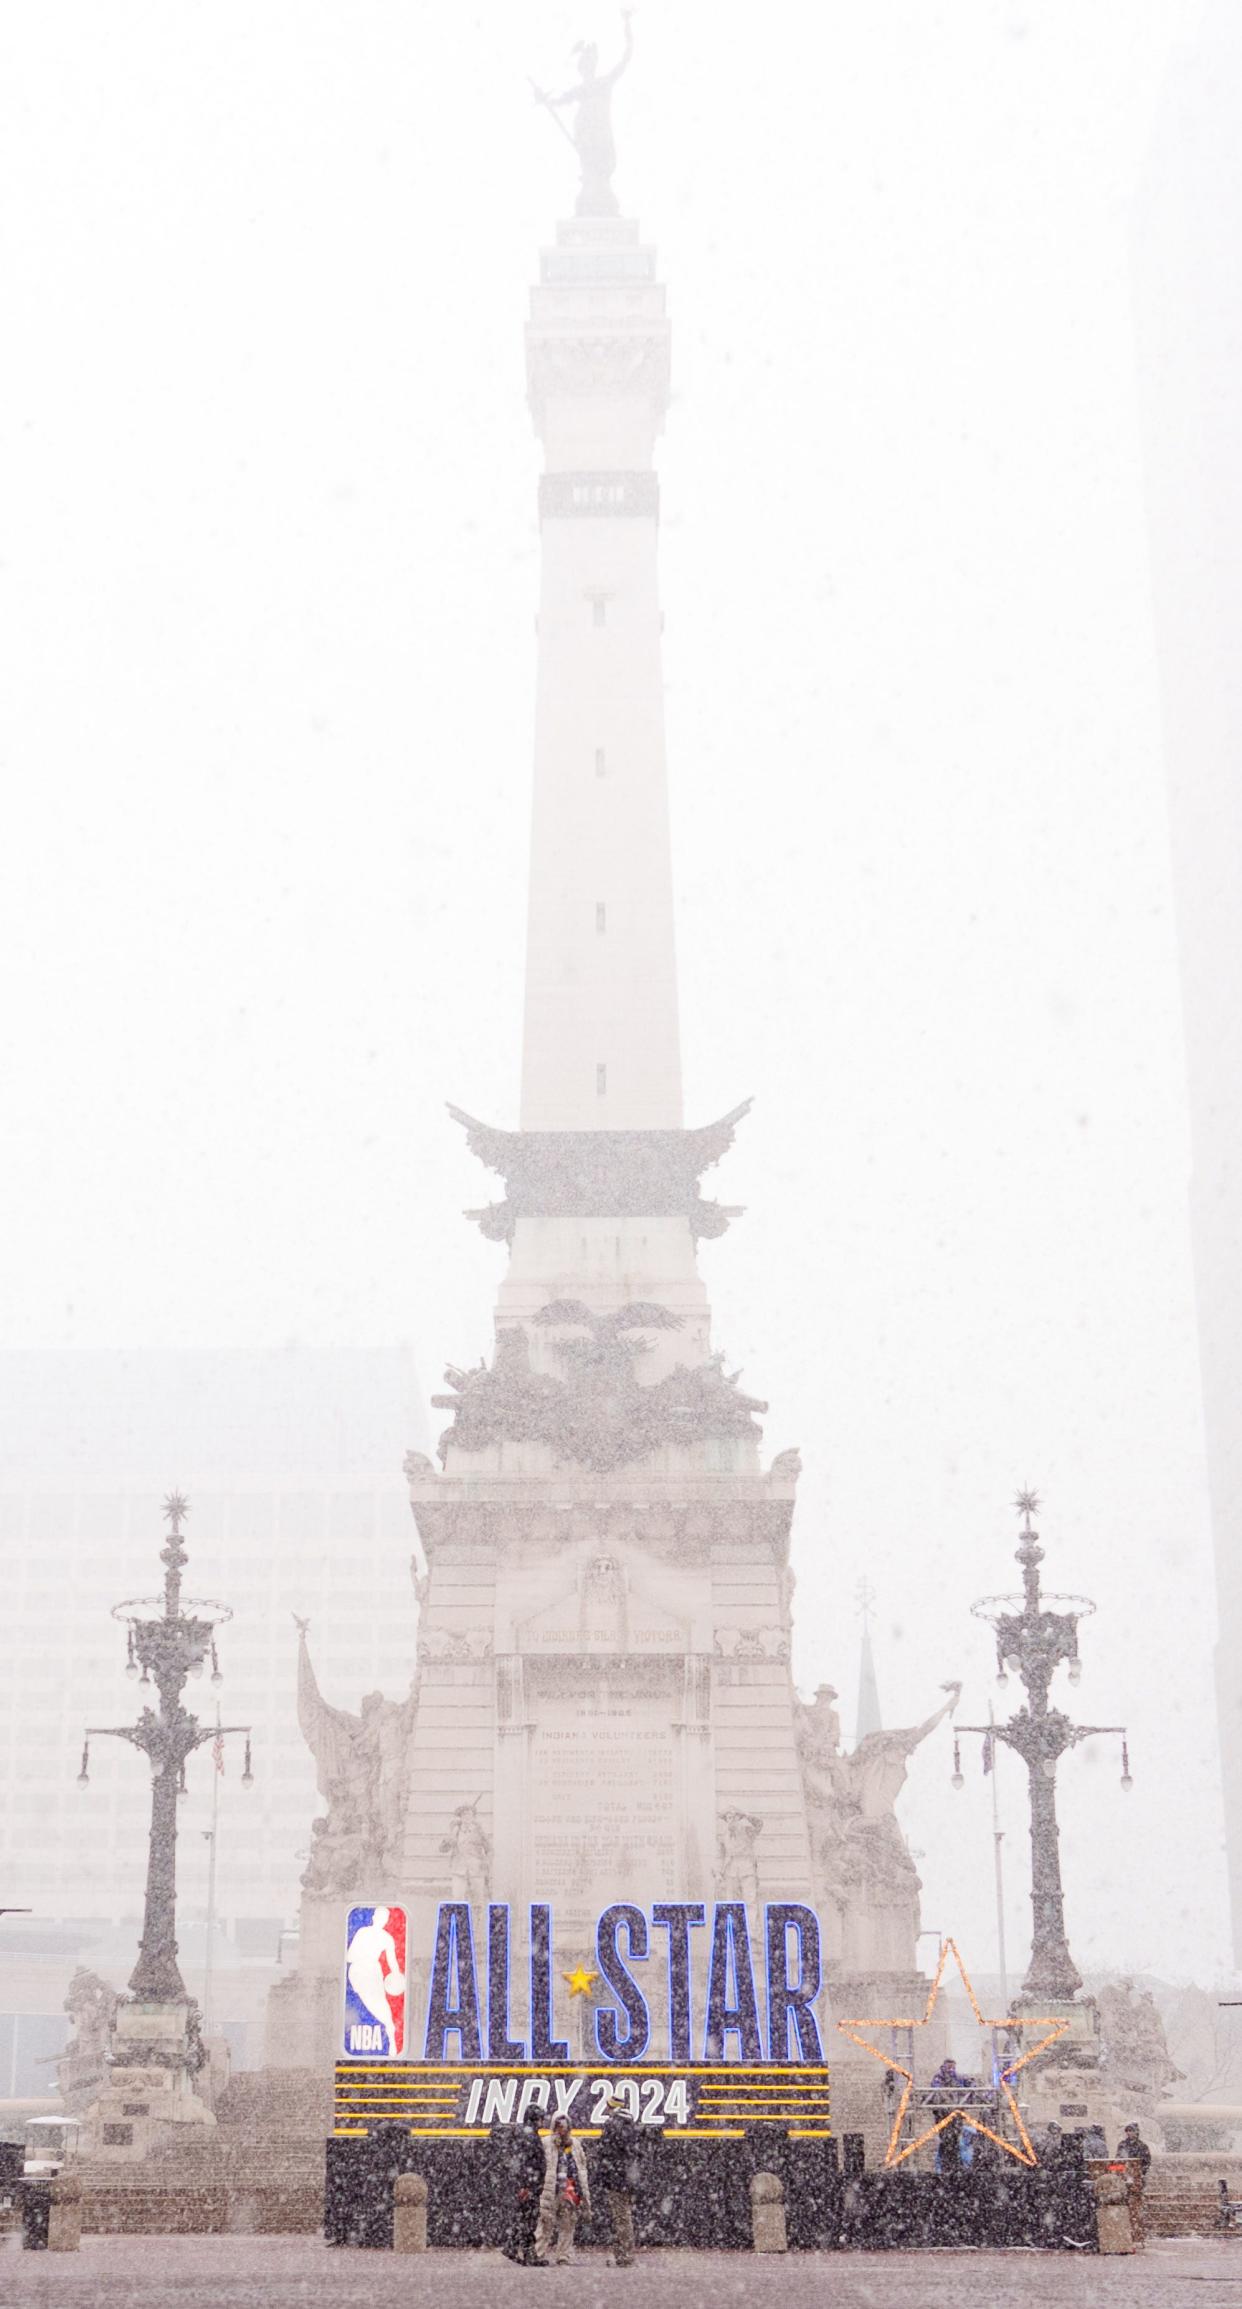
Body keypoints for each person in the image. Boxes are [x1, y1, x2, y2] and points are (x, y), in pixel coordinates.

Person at [535, 2111, 591, 2266]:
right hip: (550, 2189)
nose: (562, 2129)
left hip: (570, 2190)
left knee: (568, 2224)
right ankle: (538, 2252)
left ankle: (563, 2256)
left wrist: (580, 2188)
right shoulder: (546, 2143)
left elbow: (582, 2166)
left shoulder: (575, 2144)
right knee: (545, 2222)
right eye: (559, 2126)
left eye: (565, 2126)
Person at [594, 2091, 642, 2267]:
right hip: (627, 2179)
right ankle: (623, 2254)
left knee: (620, 2217)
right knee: (623, 2216)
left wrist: (604, 2175)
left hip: (616, 2180)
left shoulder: (612, 2125)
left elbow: (605, 2152)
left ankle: (624, 2255)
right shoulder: (631, 2124)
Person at [499, 2106, 547, 2266]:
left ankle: (518, 2249)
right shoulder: (530, 2137)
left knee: (525, 2218)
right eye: (541, 2118)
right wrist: (526, 2186)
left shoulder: (525, 2135)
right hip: (530, 2186)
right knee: (528, 2219)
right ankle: (520, 2250)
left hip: (529, 2185)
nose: (543, 2121)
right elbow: (528, 2164)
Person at [1117, 2121, 1152, 2240]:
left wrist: (1138, 2172)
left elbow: (1146, 2163)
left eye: (1131, 2130)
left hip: (1136, 2181)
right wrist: (1122, 2171)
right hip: (1124, 2179)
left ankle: (1137, 2233)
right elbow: (1117, 2161)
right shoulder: (1122, 2145)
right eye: (1128, 2131)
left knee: (1136, 2207)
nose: (1129, 2133)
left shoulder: (1142, 2146)